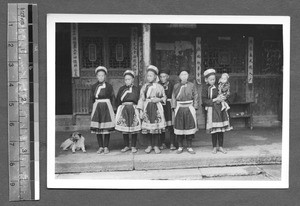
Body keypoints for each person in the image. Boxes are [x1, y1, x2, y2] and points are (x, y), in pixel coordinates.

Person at [202, 68, 232, 154]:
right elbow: (204, 101)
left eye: (214, 79)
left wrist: (223, 98)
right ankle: (214, 147)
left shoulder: (219, 87)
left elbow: (225, 94)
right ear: (206, 80)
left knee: (221, 129)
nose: (212, 81)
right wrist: (215, 99)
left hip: (220, 109)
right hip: (211, 110)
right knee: (214, 130)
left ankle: (221, 147)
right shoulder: (205, 89)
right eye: (210, 79)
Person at [137, 65, 166, 154]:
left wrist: (159, 99)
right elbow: (142, 98)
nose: (149, 77)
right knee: (148, 129)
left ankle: (156, 145)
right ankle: (149, 145)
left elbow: (164, 96)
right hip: (147, 107)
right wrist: (141, 110)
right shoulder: (144, 87)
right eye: (148, 75)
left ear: (155, 76)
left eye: (151, 75)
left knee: (156, 129)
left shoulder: (159, 86)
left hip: (156, 107)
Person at [172, 67, 199, 154]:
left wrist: (195, 107)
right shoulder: (176, 86)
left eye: (185, 74)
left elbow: (196, 96)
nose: (184, 76)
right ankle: (180, 146)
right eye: (182, 75)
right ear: (179, 76)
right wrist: (174, 107)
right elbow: (173, 97)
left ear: (188, 76)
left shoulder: (192, 85)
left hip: (189, 108)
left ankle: (189, 146)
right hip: (179, 108)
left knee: (189, 127)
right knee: (179, 127)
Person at [90, 66, 115, 154]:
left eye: (102, 75)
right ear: (96, 76)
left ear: (105, 76)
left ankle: (106, 147)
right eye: (99, 75)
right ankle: (100, 146)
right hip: (97, 107)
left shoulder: (109, 86)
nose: (101, 77)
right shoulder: (93, 86)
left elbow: (112, 97)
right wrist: (92, 110)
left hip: (107, 107)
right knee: (98, 128)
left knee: (106, 128)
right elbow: (92, 99)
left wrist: (113, 109)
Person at [115, 70, 141, 153]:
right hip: (124, 108)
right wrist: (118, 110)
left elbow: (139, 100)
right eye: (126, 79)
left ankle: (133, 146)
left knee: (133, 129)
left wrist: (139, 109)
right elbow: (118, 100)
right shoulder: (122, 89)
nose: (127, 81)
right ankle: (126, 145)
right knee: (125, 129)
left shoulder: (136, 89)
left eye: (129, 79)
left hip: (133, 108)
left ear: (133, 79)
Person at [158, 68, 176, 150]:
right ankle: (162, 143)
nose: (162, 78)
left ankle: (172, 143)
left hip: (169, 105)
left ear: (167, 77)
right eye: (161, 77)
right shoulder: (157, 85)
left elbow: (174, 96)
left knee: (171, 126)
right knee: (162, 126)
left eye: (164, 76)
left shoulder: (172, 85)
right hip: (161, 106)